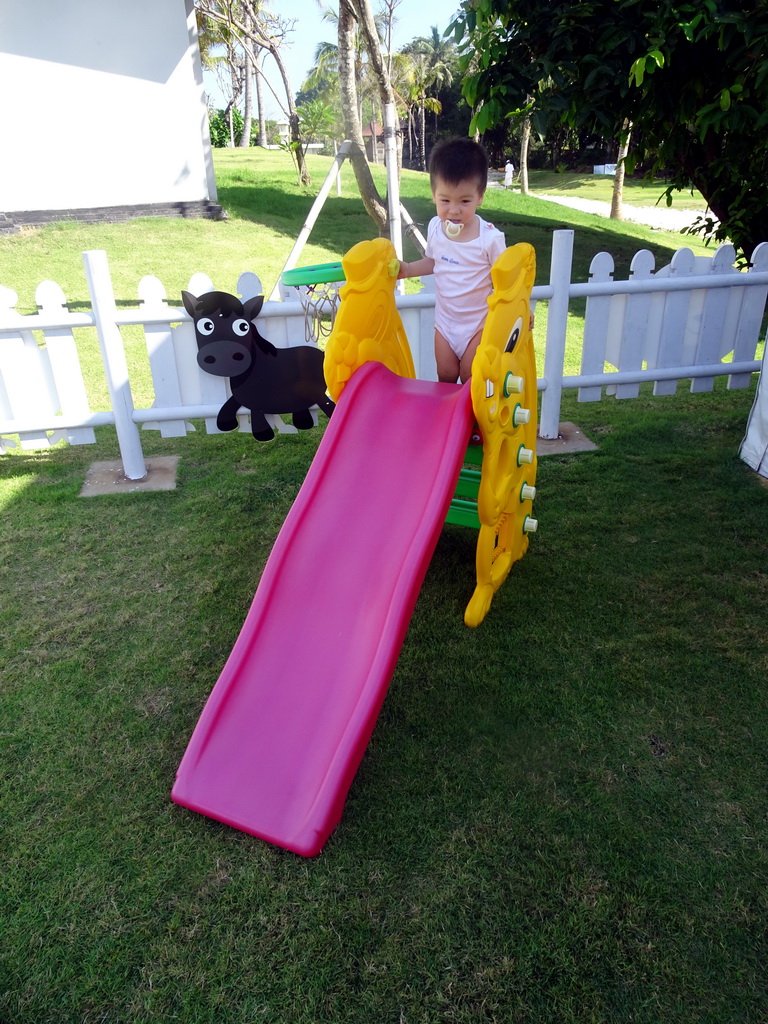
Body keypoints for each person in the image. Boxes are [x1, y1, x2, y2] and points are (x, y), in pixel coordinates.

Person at [398, 137, 507, 383]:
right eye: (445, 200)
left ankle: (470, 422)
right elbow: (434, 262)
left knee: (471, 375)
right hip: (446, 323)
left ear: (480, 196)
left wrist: (517, 309)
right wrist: (406, 269)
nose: (454, 210)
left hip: (478, 324)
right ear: (434, 195)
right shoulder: (436, 227)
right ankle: (448, 421)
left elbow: (506, 281)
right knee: (445, 373)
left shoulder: (490, 239)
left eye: (464, 201)